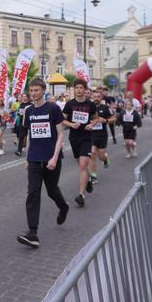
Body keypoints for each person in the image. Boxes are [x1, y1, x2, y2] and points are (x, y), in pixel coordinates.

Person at [16, 78, 69, 248]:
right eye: (31, 91)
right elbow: (30, 134)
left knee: (52, 191)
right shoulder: (29, 111)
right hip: (34, 158)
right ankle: (33, 233)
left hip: (51, 158)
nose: (33, 94)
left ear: (44, 91)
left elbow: (60, 134)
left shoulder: (53, 108)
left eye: (36, 90)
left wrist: (54, 157)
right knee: (32, 194)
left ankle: (63, 206)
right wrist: (27, 157)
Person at [62, 79, 99, 208]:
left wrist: (91, 124)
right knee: (80, 164)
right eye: (76, 87)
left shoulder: (90, 104)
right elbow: (62, 120)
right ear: (74, 89)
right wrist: (71, 124)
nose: (78, 90)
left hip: (86, 138)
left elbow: (96, 118)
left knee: (83, 165)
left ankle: (81, 195)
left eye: (81, 88)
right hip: (74, 138)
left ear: (85, 90)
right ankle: (88, 179)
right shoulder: (69, 104)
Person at [89, 90, 112, 184]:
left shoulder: (105, 108)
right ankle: (93, 175)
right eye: (94, 97)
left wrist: (105, 120)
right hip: (91, 135)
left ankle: (105, 159)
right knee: (92, 153)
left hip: (102, 135)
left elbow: (113, 118)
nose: (96, 99)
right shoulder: (89, 108)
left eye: (98, 97)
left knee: (101, 156)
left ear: (101, 98)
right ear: (92, 97)